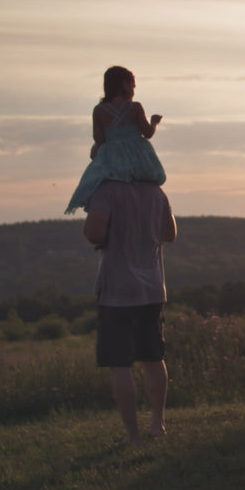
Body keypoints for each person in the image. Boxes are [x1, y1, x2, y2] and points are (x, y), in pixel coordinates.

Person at [83, 179, 177, 444]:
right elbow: (169, 234)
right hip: (152, 287)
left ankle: (133, 434)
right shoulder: (157, 192)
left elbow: (95, 234)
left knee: (120, 363)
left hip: (117, 290)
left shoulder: (104, 192)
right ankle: (158, 423)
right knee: (153, 357)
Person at [65, 66, 166, 215]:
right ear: (125, 84)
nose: (133, 89)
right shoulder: (135, 107)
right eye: (132, 85)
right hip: (137, 157)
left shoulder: (99, 110)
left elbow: (98, 138)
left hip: (111, 157)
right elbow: (148, 133)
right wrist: (154, 122)